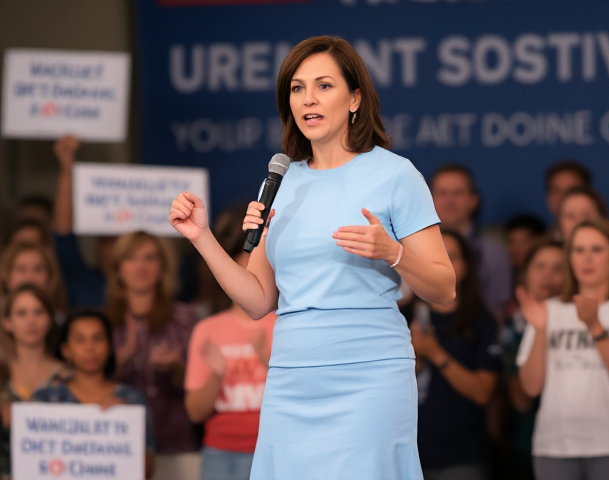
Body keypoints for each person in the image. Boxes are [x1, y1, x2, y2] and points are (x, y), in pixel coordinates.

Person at [169, 35, 455, 480]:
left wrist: (393, 252)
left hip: (370, 373)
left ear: (355, 97)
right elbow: (258, 300)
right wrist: (202, 237)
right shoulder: (282, 180)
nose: (308, 99)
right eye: (297, 88)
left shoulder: (396, 174)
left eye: (323, 85)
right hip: (292, 378)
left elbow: (444, 287)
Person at [517, 218, 609, 480]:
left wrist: (595, 326)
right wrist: (539, 330)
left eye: (597, 249)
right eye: (578, 250)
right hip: (554, 447)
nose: (587, 258)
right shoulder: (547, 309)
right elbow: (531, 387)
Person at [184, 205, 277, 480]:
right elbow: (195, 412)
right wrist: (217, 375)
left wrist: (269, 362)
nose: (251, 272)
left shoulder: (287, 324)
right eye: (243, 263)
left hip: (277, 447)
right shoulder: (207, 330)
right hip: (221, 454)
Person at [106, 231, 200, 479]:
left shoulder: (184, 318)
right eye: (131, 258)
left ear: (163, 266)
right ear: (118, 268)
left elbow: (202, 386)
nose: (141, 266)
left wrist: (177, 368)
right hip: (116, 446)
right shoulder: (103, 322)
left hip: (176, 445)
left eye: (150, 257)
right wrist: (121, 359)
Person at [410, 230, 501, 480]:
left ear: (466, 266)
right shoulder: (403, 314)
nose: (443, 264)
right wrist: (415, 355)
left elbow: (482, 392)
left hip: (462, 455)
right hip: (408, 453)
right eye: (434, 256)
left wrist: (436, 353)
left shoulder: (482, 322)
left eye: (452, 256)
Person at [32, 309, 155, 479]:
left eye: (97, 338)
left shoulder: (132, 400)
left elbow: (147, 471)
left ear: (110, 346)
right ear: (66, 349)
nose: (90, 347)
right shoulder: (44, 400)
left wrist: (127, 424)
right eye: (80, 340)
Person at [499, 238, 564, 480]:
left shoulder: (588, 322)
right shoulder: (513, 329)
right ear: (524, 275)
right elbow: (521, 400)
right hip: (526, 445)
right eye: (540, 266)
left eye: (559, 268)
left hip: (580, 444)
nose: (548, 276)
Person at [429, 164, 511, 322]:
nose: (449, 200)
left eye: (457, 193)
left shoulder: (494, 254)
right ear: (429, 200)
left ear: (473, 200)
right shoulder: (412, 250)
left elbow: (499, 312)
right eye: (442, 193)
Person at [0, 284, 66, 480]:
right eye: (21, 313)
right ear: (7, 322)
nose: (31, 321)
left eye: (39, 312)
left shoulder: (70, 377)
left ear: (51, 319)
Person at [52, 135, 113, 308]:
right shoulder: (84, 282)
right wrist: (67, 172)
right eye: (106, 240)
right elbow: (64, 237)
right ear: (98, 246)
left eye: (124, 241)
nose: (117, 248)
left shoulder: (158, 291)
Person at [557, 186, 609, 291]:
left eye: (585, 214)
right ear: (559, 222)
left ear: (602, 218)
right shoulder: (547, 255)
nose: (578, 221)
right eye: (570, 216)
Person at [0, 242, 66, 318]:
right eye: (21, 269)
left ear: (50, 275)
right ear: (6, 274)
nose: (29, 277)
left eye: (38, 269)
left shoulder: (62, 319)